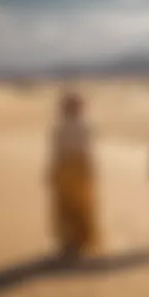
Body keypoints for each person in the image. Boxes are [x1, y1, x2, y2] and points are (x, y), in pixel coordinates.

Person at [47, 91, 100, 258]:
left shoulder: (65, 127)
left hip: (70, 168)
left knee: (73, 207)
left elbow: (59, 152)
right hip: (74, 169)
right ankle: (76, 241)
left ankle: (73, 242)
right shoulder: (77, 126)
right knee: (75, 207)